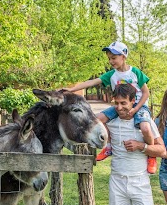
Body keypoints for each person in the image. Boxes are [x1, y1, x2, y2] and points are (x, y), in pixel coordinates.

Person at [66, 41, 157, 174]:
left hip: (139, 106)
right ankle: (109, 147)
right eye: (109, 58)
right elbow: (92, 82)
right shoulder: (112, 75)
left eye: (113, 58)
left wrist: (136, 109)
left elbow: (146, 92)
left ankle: (151, 154)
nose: (111, 61)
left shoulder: (135, 72)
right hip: (119, 105)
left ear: (123, 56)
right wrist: (71, 89)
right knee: (97, 120)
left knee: (145, 127)